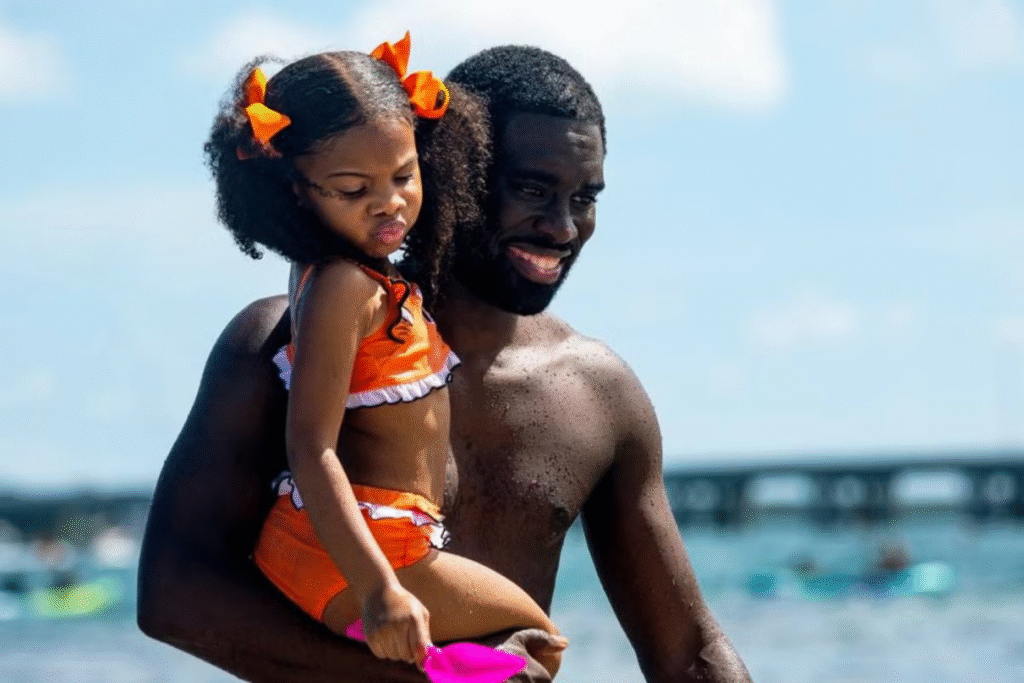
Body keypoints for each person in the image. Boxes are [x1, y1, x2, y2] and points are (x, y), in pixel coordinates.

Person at [138, 44, 753, 683]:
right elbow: (175, 596)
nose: (564, 227)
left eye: (585, 198)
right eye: (532, 190)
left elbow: (687, 651)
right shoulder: (282, 342)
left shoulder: (595, 393)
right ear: (453, 166)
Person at [203, 35, 563, 675]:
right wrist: (378, 590)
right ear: (293, 193)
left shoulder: (355, 276)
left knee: (512, 653)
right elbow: (310, 448)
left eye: (403, 175)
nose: (388, 202)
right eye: (352, 188)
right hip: (359, 553)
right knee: (534, 639)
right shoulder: (342, 284)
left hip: (360, 545)